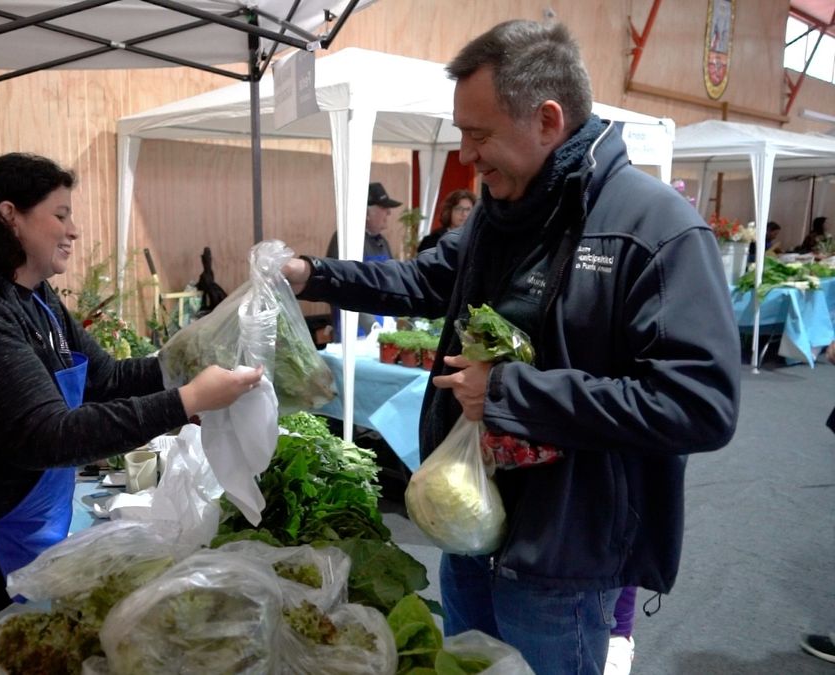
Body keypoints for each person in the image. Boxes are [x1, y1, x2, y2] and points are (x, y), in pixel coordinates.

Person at [281, 20, 740, 673]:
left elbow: (701, 404)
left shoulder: (653, 230)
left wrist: (509, 392)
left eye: (479, 133)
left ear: (547, 120)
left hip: (565, 555)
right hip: (474, 527)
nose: (467, 154)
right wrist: (312, 274)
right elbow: (422, 279)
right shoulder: (505, 214)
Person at [0, 153, 262, 672]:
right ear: (9, 216)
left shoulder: (33, 297)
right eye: (60, 214)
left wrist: (190, 360)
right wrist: (187, 401)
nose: (74, 229)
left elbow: (103, 378)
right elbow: (45, 435)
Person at [325, 181, 401, 337]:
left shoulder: (382, 241)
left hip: (383, 327)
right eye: (383, 208)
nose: (389, 213)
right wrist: (370, 325)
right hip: (355, 331)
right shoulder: (345, 240)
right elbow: (342, 287)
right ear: (366, 213)